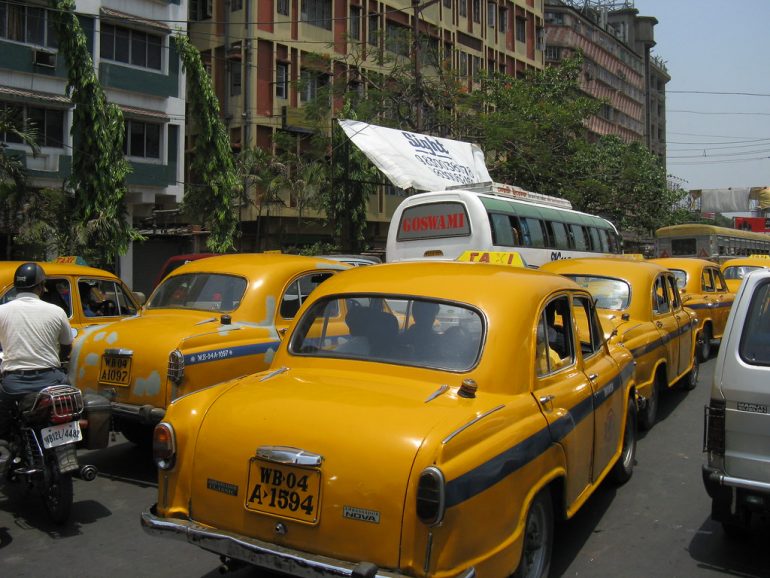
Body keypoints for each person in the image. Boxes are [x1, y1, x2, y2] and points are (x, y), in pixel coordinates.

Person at [0, 263, 73, 401]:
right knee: (71, 409)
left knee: (4, 420)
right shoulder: (57, 311)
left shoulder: (1, 311)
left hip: (13, 384)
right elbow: (67, 346)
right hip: (52, 382)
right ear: (40, 287)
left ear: (16, 287)